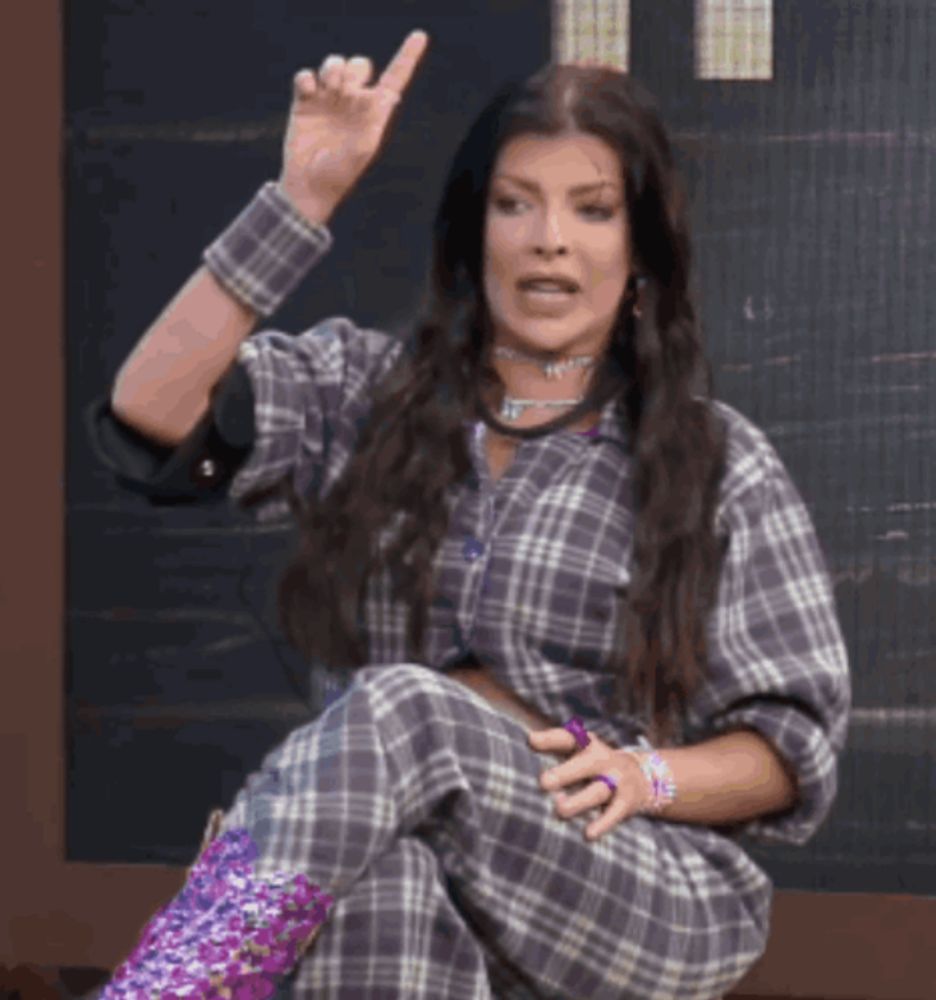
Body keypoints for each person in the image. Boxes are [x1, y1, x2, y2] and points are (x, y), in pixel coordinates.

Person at [87, 28, 851, 1000]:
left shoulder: (718, 461)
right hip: (374, 840)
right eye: (515, 204)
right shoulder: (367, 393)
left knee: (406, 705)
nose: (549, 238)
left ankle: (173, 982)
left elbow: (789, 751)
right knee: (385, 883)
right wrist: (298, 202)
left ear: (639, 247)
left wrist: (641, 775)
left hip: (632, 876)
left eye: (592, 210)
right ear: (475, 232)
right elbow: (148, 407)